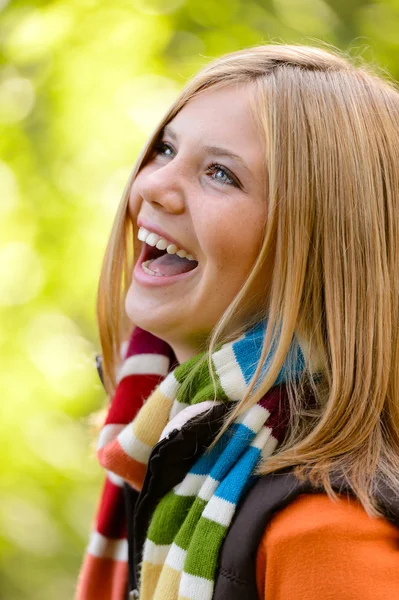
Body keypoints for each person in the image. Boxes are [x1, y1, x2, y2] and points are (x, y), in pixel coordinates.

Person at [76, 44, 399, 600]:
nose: (151, 186)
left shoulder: (327, 536)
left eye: (220, 174)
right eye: (166, 148)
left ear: (320, 249)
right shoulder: (160, 452)